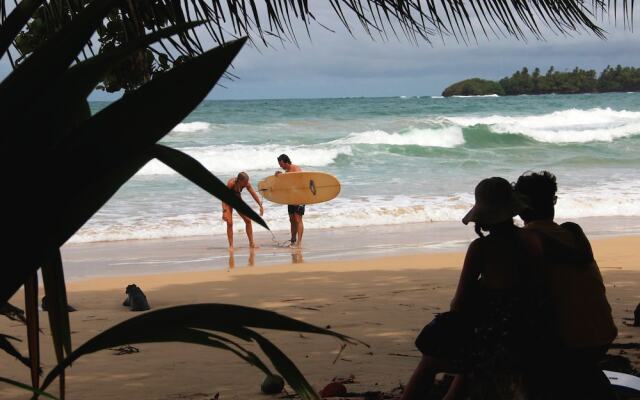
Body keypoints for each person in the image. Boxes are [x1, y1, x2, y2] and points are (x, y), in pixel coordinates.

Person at [401, 177, 548, 400]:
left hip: (496, 345)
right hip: (530, 336)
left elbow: (458, 303)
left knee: (430, 363)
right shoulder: (531, 240)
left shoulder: (481, 248)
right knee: (469, 366)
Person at [514, 171, 617, 398]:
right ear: (554, 201)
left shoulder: (523, 240)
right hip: (602, 335)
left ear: (520, 207)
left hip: (565, 345)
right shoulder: (574, 232)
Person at [222, 172, 264, 251]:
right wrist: (224, 211)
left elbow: (253, 194)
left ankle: (252, 244)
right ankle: (231, 246)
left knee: (248, 220)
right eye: (245, 182)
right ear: (239, 180)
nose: (246, 183)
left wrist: (260, 205)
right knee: (230, 223)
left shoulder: (246, 184)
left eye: (247, 181)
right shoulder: (231, 183)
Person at [275, 154, 304, 247]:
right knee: (291, 219)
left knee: (298, 219)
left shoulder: (296, 168)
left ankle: (299, 242)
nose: (280, 166)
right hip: (291, 198)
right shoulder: (286, 172)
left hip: (300, 197)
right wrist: (279, 176)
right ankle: (293, 240)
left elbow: (299, 181)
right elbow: (286, 185)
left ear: (286, 162)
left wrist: (285, 175)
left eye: (281, 164)